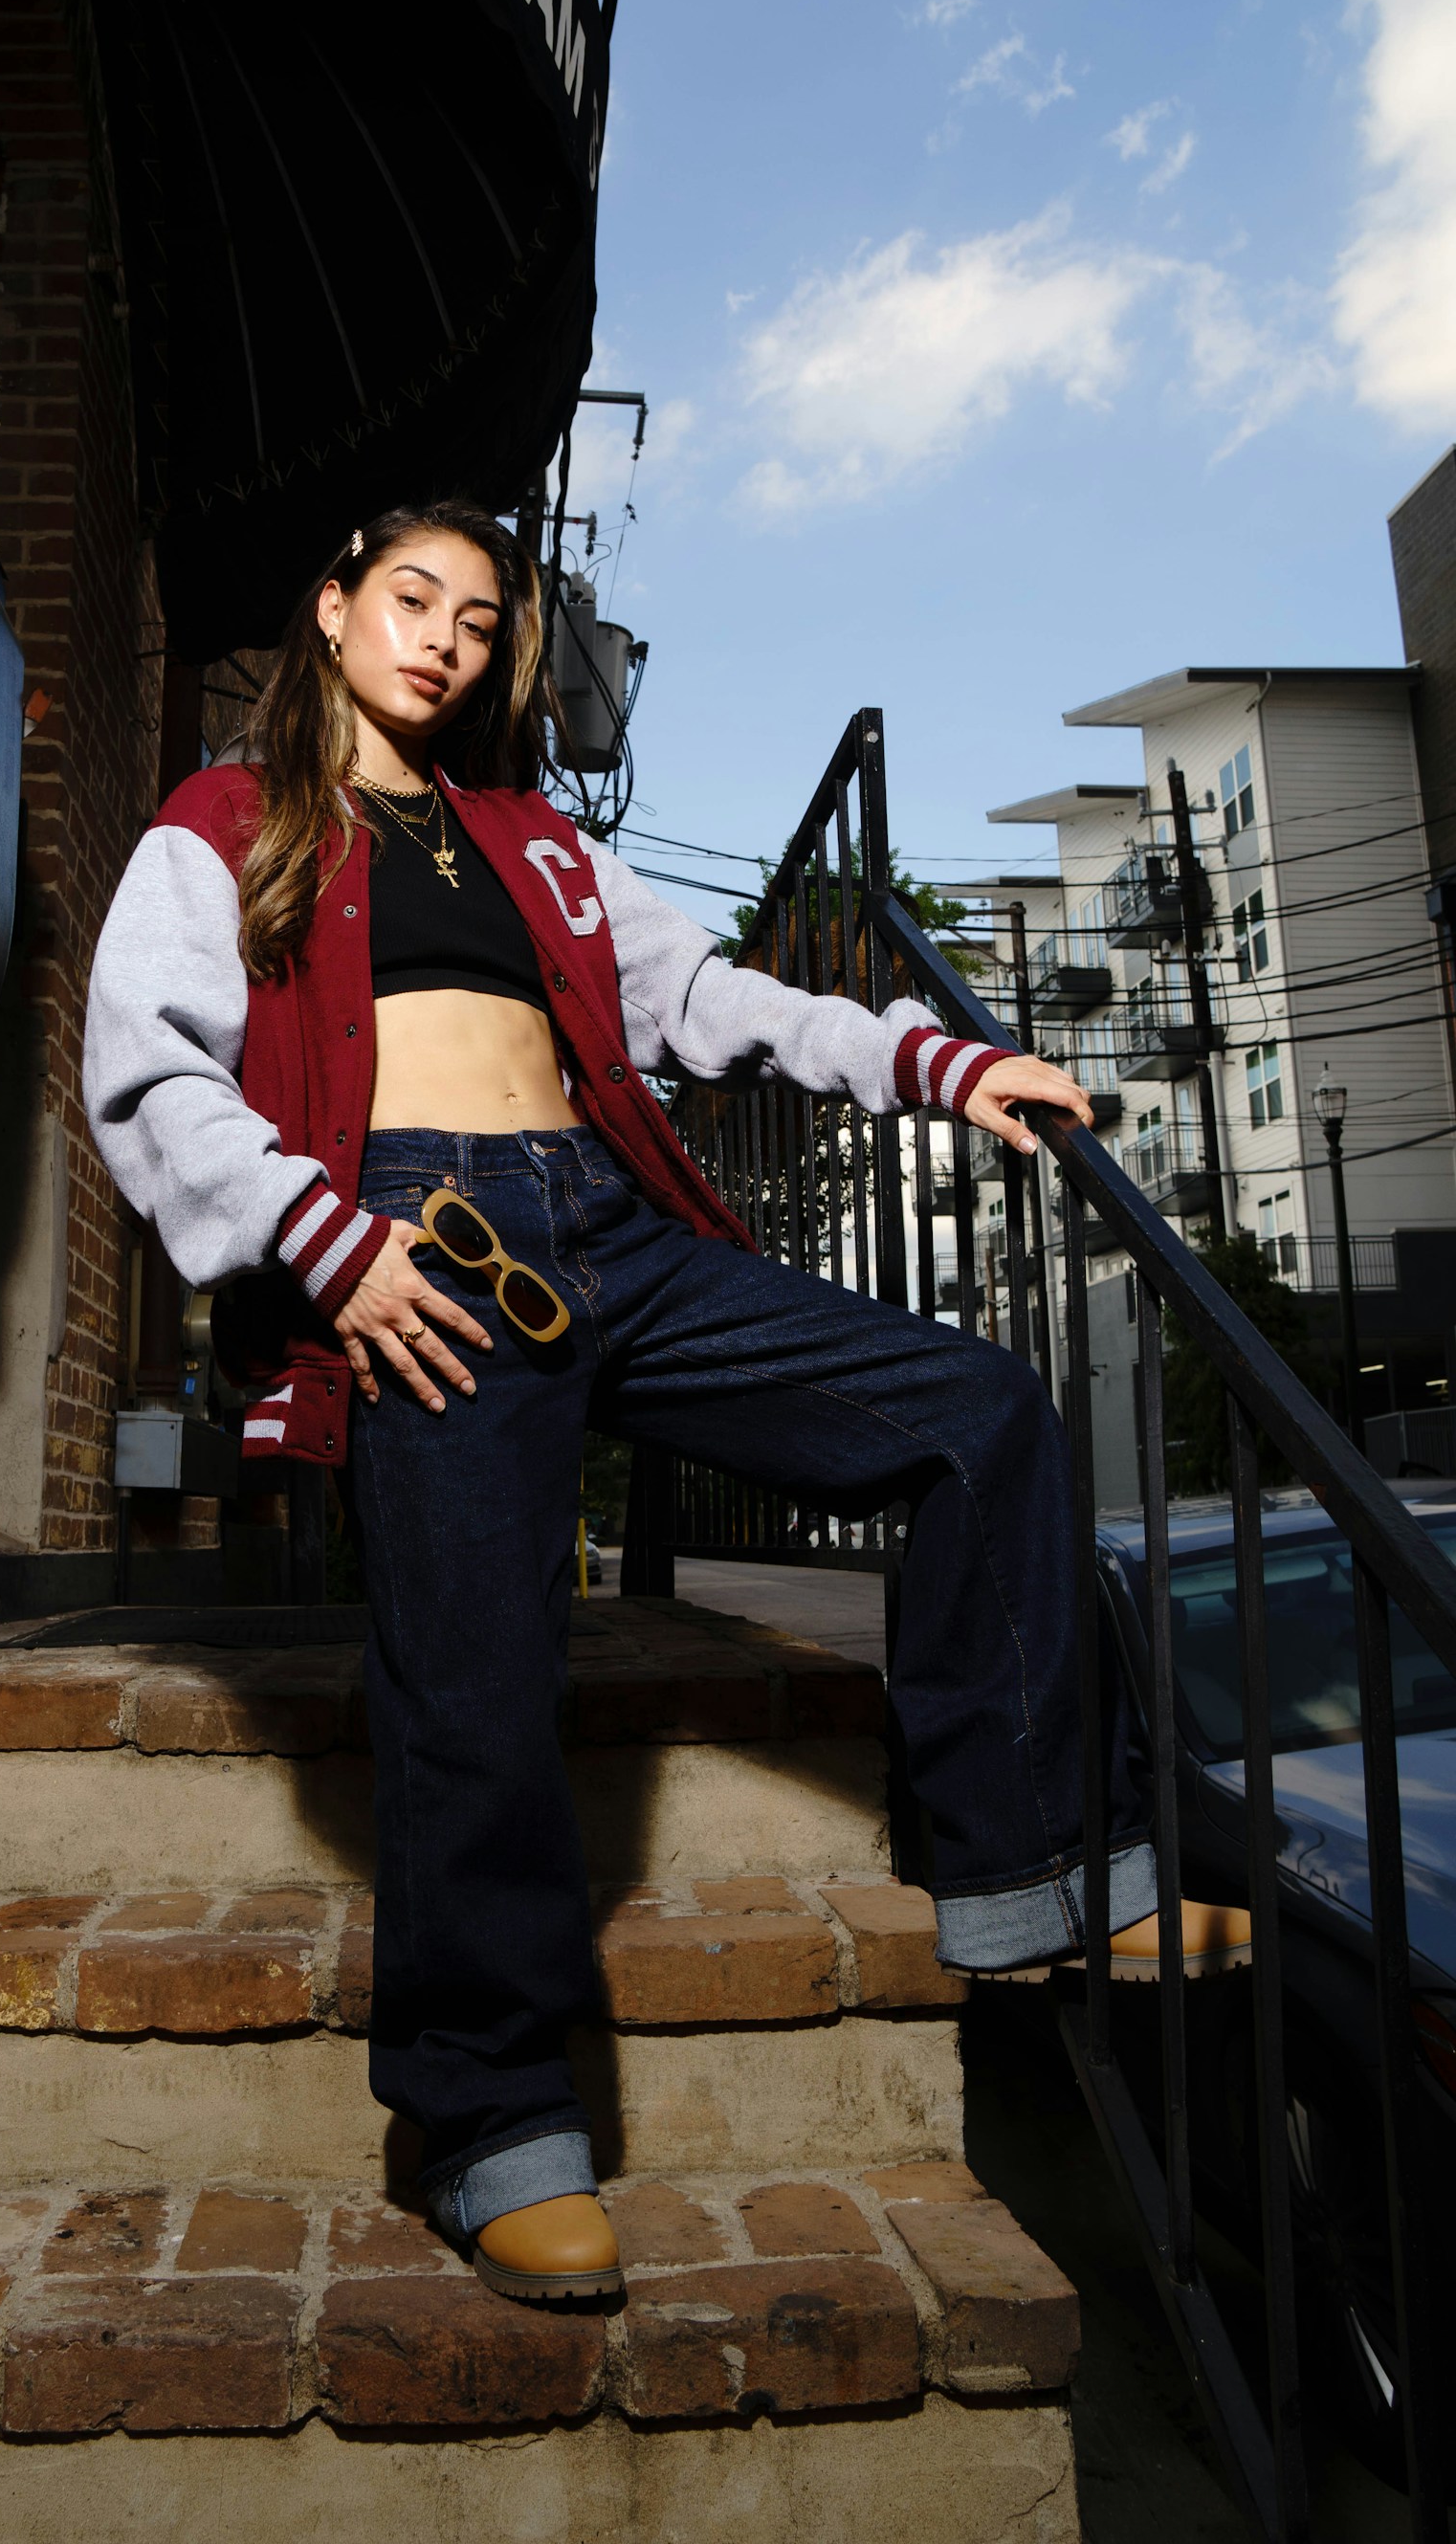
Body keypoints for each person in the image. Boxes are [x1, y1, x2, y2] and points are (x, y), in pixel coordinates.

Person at [83, 500, 1152, 2308]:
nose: (441, 639)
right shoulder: (223, 825)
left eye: (480, 621)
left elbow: (710, 1002)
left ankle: (1030, 1871)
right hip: (416, 1246)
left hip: (610, 1224)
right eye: (410, 600)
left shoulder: (539, 845)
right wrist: (325, 1248)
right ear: (336, 610)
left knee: (972, 1412)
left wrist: (936, 1060)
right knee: (476, 1675)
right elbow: (147, 1069)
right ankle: (492, 2123)